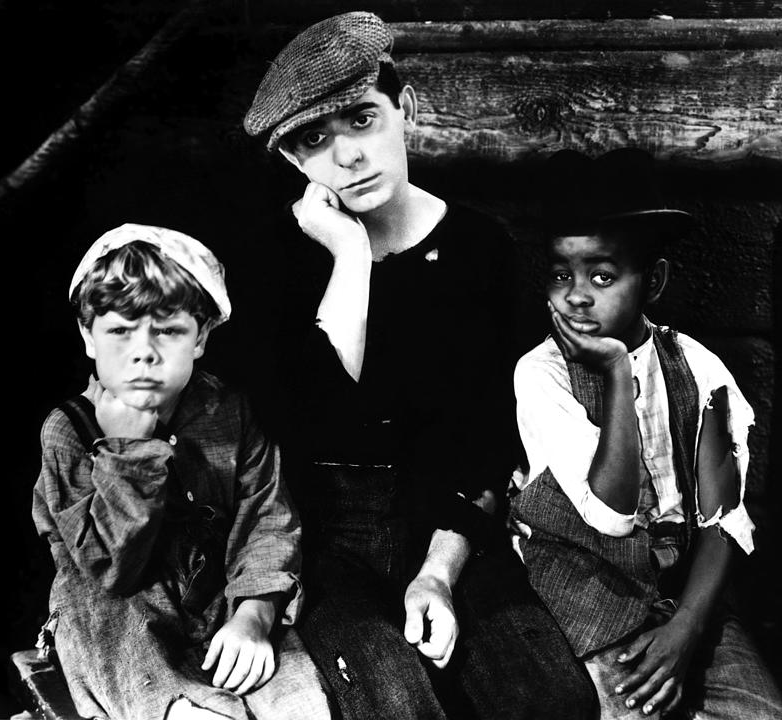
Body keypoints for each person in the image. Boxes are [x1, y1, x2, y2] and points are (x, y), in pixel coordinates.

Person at [242, 11, 597, 720]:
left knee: (546, 697)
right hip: (330, 541)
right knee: (395, 701)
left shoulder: (478, 247)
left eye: (363, 120)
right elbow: (310, 420)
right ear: (294, 163)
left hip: (450, 520)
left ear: (404, 109)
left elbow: (484, 435)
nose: (347, 156)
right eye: (316, 140)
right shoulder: (282, 258)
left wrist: (438, 574)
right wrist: (347, 259)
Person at [510, 148, 782, 719]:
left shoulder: (697, 368)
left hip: (686, 595)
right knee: (637, 712)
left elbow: (723, 519)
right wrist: (616, 372)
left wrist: (687, 629)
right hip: (588, 593)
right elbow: (611, 513)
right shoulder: (540, 374)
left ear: (653, 281)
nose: (577, 294)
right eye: (562, 274)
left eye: (603, 275)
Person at [31, 224, 332, 720]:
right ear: (88, 337)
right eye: (120, 330)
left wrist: (254, 615)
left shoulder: (229, 411)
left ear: (201, 337)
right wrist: (128, 452)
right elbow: (111, 571)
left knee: (298, 693)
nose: (144, 351)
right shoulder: (69, 431)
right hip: (121, 609)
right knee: (120, 637)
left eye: (168, 330)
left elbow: (267, 518)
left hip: (216, 596)